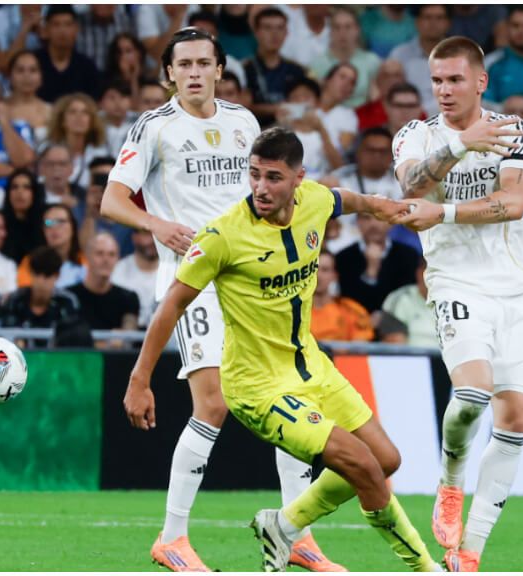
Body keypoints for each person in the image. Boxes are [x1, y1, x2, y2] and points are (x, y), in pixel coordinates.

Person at [122, 125, 438, 572]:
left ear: (298, 179)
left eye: (273, 177)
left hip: (310, 365)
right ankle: (426, 567)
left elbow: (344, 199)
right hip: (258, 387)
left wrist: (379, 205)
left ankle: (284, 526)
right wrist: (140, 379)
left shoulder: (314, 200)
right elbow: (171, 304)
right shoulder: (223, 236)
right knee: (363, 466)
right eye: (254, 175)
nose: (261, 188)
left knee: (386, 460)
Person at [100, 28, 342, 572]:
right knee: (213, 403)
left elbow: (265, 196)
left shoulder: (244, 123)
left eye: (202, 63)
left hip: (253, 278)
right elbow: (112, 200)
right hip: (195, 278)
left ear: (219, 69)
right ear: (169, 74)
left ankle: (296, 533)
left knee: (290, 399)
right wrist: (156, 223)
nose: (193, 73)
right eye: (183, 64)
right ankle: (172, 538)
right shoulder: (155, 127)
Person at [391, 36, 523, 571]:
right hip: (455, 282)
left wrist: (445, 212)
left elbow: (513, 203)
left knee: (515, 418)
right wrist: (459, 145)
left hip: (515, 288)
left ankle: (470, 553)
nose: (444, 90)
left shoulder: (514, 130)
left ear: (481, 81)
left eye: (455, 79)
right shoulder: (415, 134)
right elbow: (412, 184)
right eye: (437, 81)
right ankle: (450, 481)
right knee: (473, 393)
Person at [335, 212, 420, 313]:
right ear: (358, 222)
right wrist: (371, 271)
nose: (373, 224)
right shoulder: (343, 258)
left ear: (391, 222)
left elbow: (408, 296)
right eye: (366, 218)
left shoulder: (409, 255)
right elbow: (348, 301)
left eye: (379, 218)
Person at [0, 245, 82, 346]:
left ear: (57, 276)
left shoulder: (67, 302)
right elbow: (7, 337)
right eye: (37, 274)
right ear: (31, 274)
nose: (41, 281)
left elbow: (72, 340)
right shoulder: (15, 301)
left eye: (48, 275)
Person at [243, 8, 308, 128]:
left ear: (286, 33)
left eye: (280, 28)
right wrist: (275, 109)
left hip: (290, 131)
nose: (274, 34)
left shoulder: (297, 71)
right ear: (256, 32)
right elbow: (241, 106)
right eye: (267, 28)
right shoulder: (244, 69)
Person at [68, 232, 139, 338]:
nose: (106, 260)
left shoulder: (129, 298)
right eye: (99, 253)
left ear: (117, 259)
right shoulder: (69, 297)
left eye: (111, 254)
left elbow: (127, 338)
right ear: (87, 257)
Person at [309, 7, 380, 108]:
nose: (342, 33)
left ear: (357, 30)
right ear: (330, 31)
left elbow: (377, 98)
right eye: (337, 27)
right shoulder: (316, 64)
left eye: (348, 27)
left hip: (363, 114)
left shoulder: (372, 61)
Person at [388, 5, 451, 117]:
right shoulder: (399, 55)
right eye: (427, 17)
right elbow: (391, 93)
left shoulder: (459, 55)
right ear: (417, 22)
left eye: (439, 18)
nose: (433, 23)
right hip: (408, 117)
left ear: (448, 23)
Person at [35, 5, 101, 102]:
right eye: (56, 25)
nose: (62, 31)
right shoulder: (34, 62)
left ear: (76, 29)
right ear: (46, 30)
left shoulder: (87, 67)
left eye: (68, 25)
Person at [46, 93, 109, 190]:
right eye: (72, 112)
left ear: (91, 121)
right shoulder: (48, 151)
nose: (79, 117)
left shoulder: (101, 154)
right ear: (62, 120)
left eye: (85, 112)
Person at [16, 203, 85, 289]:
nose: (54, 228)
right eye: (48, 223)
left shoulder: (87, 261)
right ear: (43, 231)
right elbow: (25, 291)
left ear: (73, 227)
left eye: (61, 221)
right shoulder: (30, 261)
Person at [311, 250, 374, 342]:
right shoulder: (294, 311)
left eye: (325, 270)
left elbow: (361, 345)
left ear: (334, 276)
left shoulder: (352, 311)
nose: (318, 275)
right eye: (314, 269)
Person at [483, 8, 523, 105]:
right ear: (506, 29)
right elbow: (483, 103)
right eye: (515, 25)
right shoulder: (490, 63)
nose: (521, 31)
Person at [381, 258, 437, 348]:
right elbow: (396, 349)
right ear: (420, 273)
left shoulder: (457, 300)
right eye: (433, 272)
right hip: (413, 356)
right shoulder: (399, 299)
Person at [111, 229, 159, 328]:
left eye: (156, 235)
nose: (152, 240)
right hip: (125, 333)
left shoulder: (173, 271)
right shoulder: (118, 270)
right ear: (134, 237)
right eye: (147, 234)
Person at [3, 51, 52, 147]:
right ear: (9, 76)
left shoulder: (51, 111)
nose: (27, 76)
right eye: (20, 70)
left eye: (33, 70)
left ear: (41, 77)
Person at [1, 169, 47, 264]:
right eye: (14, 187)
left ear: (34, 193)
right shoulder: (0, 223)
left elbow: (56, 223)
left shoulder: (45, 221)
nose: (20, 192)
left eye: (26, 187)